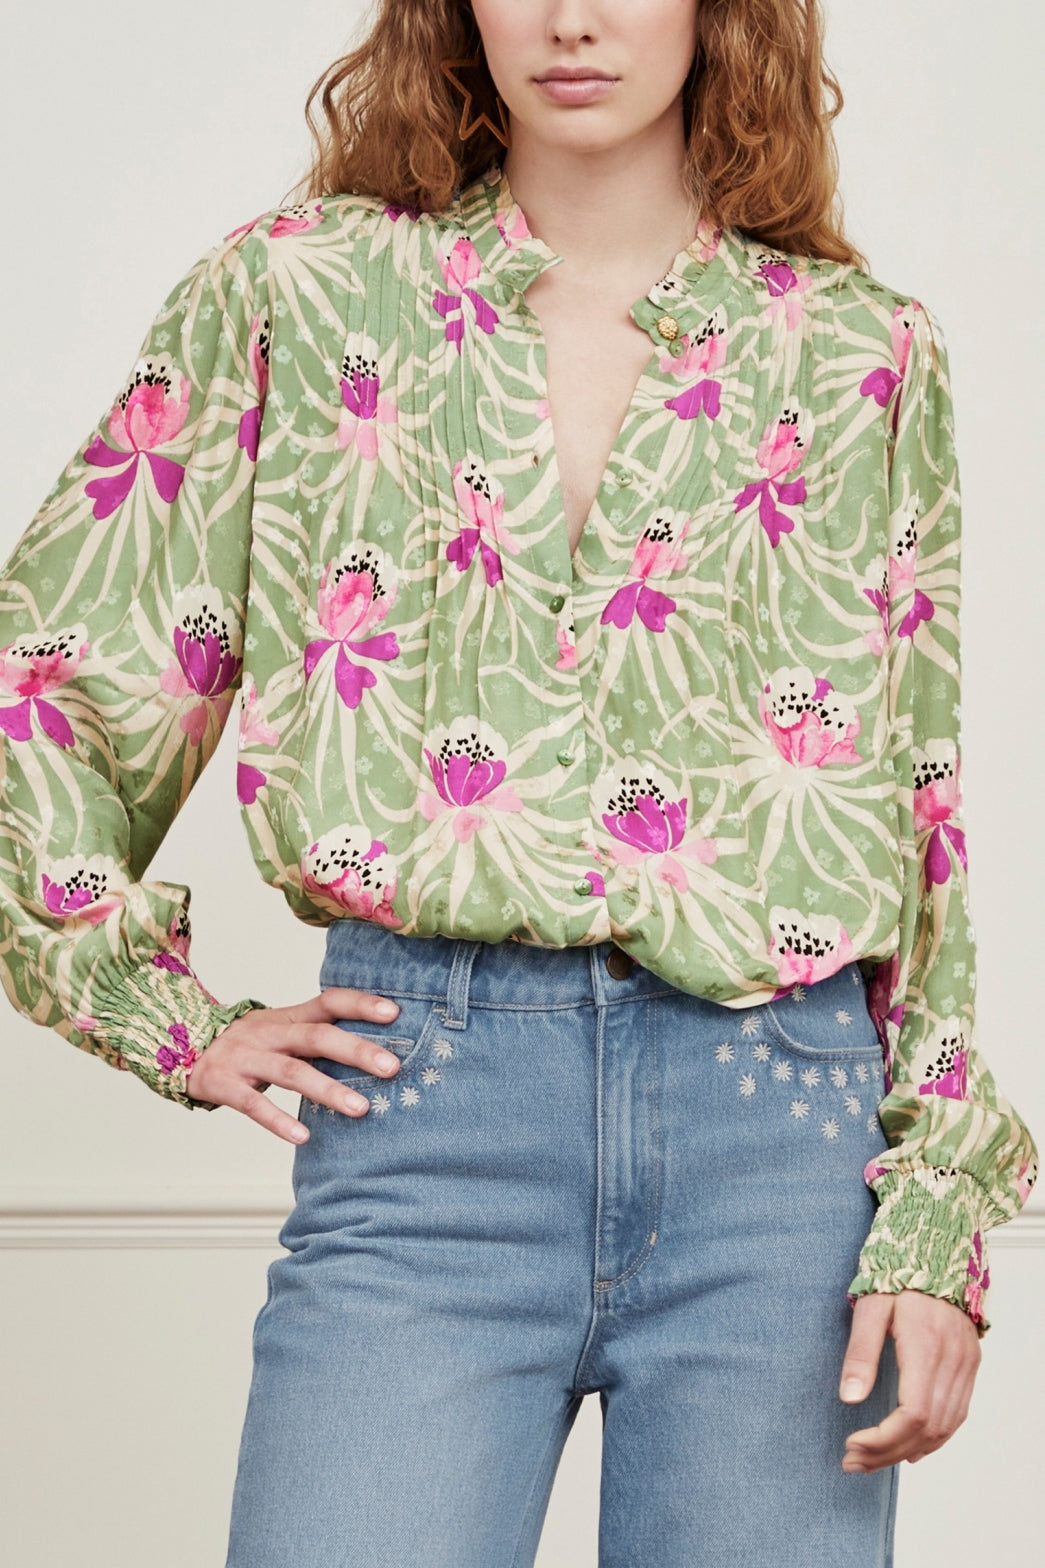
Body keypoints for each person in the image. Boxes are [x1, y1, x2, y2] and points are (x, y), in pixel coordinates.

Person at [0, 1, 1037, 1563]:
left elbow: (918, 804)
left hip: (777, 1134)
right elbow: (54, 681)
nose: (570, 18)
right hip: (426, 1116)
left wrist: (937, 1206)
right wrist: (164, 1014)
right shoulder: (298, 292)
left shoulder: (858, 349)